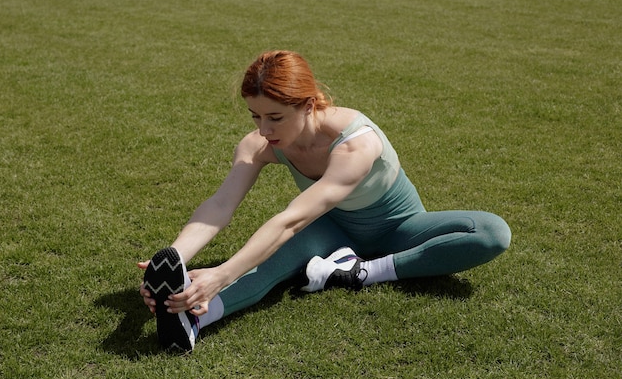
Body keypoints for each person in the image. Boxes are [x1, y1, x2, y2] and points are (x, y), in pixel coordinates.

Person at [138, 50, 511, 352]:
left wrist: (222, 273)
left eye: (275, 117)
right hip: (331, 228)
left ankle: (357, 273)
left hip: (399, 228)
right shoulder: (260, 144)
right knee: (266, 266)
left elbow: (291, 219)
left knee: (491, 233)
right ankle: (194, 318)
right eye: (255, 116)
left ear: (309, 104)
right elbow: (220, 205)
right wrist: (174, 261)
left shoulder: (356, 143)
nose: (263, 130)